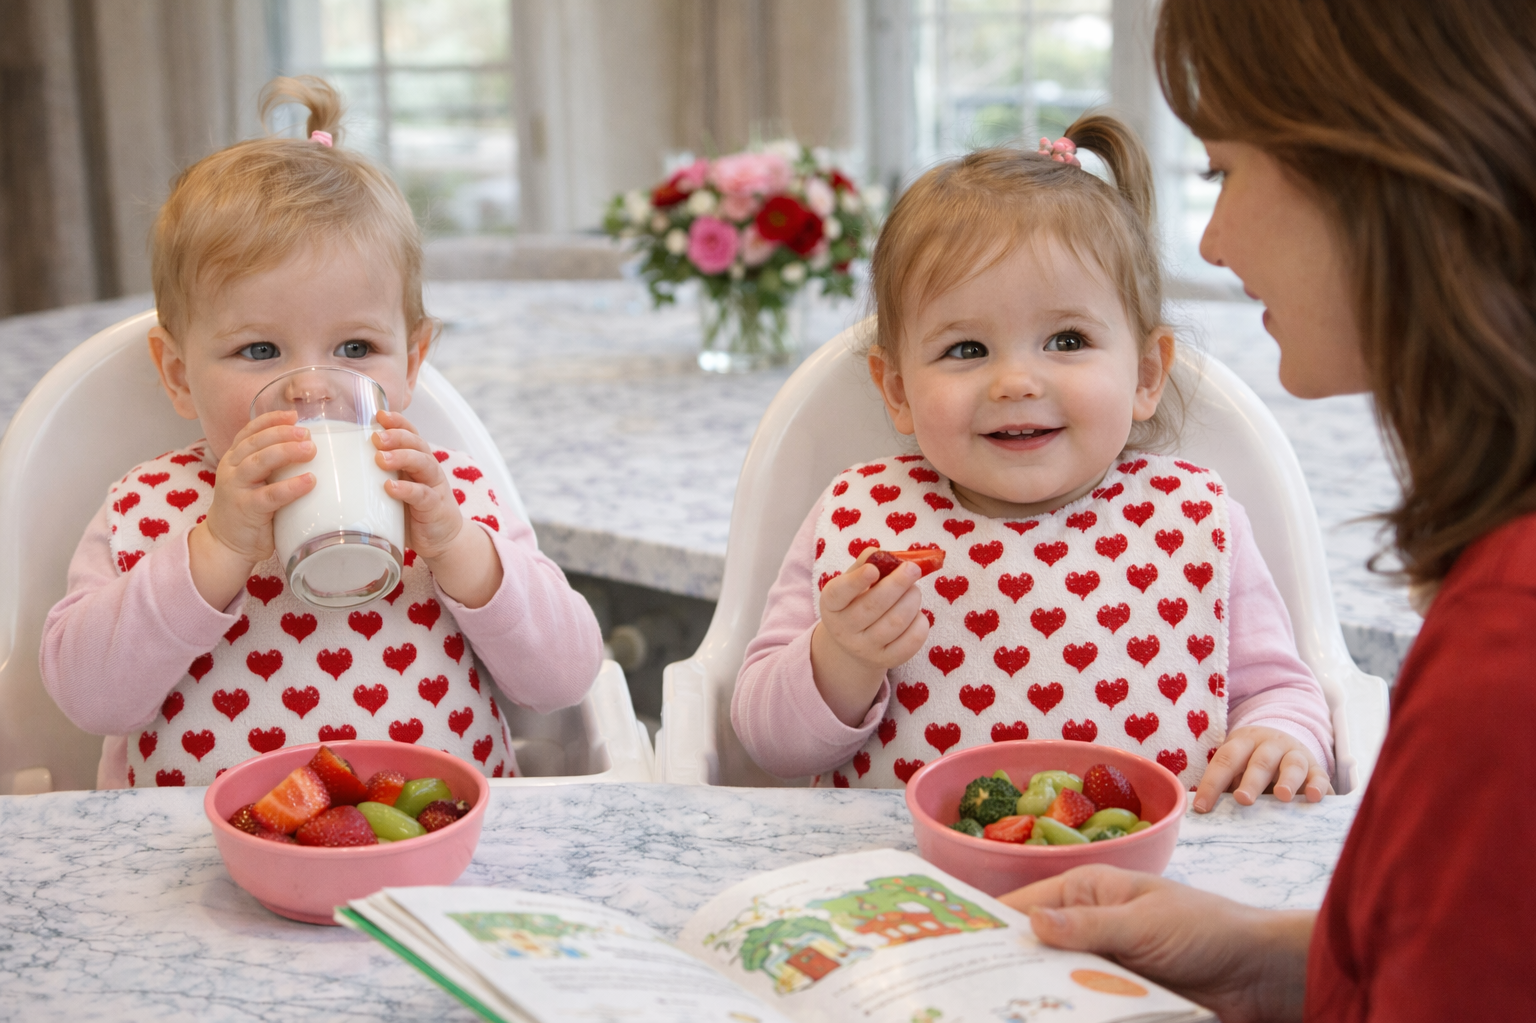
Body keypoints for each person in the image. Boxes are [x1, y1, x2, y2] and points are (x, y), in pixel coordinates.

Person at [1001, 0, 1536, 1019]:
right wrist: (1254, 955)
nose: (1212, 238)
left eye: (1226, 172)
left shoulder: (1512, 650)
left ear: (1385, 175)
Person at [732, 112, 1333, 808]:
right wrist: (842, 657)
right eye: (966, 350)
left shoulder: (1197, 522)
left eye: (1068, 340)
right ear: (898, 392)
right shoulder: (863, 525)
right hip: (909, 889)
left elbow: (1282, 690)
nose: (1015, 381)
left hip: (1150, 892)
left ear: (1144, 375)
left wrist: (1280, 736)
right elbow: (766, 744)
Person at [40, 77, 602, 788]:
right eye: (260, 352)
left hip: (436, 856)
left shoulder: (450, 496)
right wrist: (214, 551)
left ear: (413, 361)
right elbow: (90, 700)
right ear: (178, 374)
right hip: (199, 871)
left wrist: (458, 548)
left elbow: (565, 679)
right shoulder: (147, 506)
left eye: (356, 349)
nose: (312, 385)